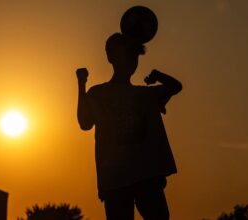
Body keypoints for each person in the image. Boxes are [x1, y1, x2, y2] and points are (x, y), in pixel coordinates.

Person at [76, 33, 182, 220]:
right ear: (111, 57)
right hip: (116, 180)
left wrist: (157, 74)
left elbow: (176, 86)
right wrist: (81, 85)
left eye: (135, 56)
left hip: (146, 176)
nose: (132, 61)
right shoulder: (99, 94)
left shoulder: (145, 95)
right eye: (127, 55)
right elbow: (84, 123)